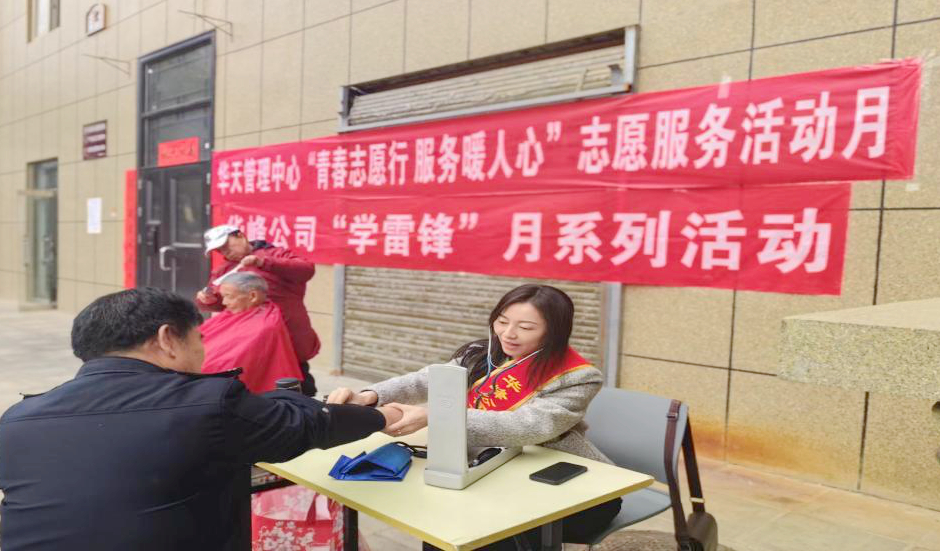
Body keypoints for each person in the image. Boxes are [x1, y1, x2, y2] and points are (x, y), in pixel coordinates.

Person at [0, 287, 402, 551]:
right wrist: (382, 415)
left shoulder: (16, 420)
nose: (203, 352)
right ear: (167, 339)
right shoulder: (208, 404)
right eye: (199, 339)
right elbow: (309, 425)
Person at [327, 284, 619, 550]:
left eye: (525, 327)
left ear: (554, 331)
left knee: (484, 532)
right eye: (502, 321)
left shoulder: (578, 376)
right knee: (444, 525)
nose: (508, 334)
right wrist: (370, 396)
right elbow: (426, 380)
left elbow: (531, 426)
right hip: (490, 470)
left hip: (568, 488)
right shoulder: (482, 353)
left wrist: (438, 416)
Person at [196, 224, 320, 395]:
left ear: (240, 235)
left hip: (287, 331)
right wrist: (208, 300)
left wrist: (263, 262)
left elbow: (305, 270)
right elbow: (220, 300)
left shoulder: (275, 254)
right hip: (247, 339)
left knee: (295, 382)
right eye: (220, 250)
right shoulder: (224, 270)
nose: (225, 252)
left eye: (226, 246)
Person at [200, 272, 303, 393]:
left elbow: (230, 363)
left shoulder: (265, 326)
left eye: (229, 296)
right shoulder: (231, 314)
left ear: (253, 296)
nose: (224, 303)